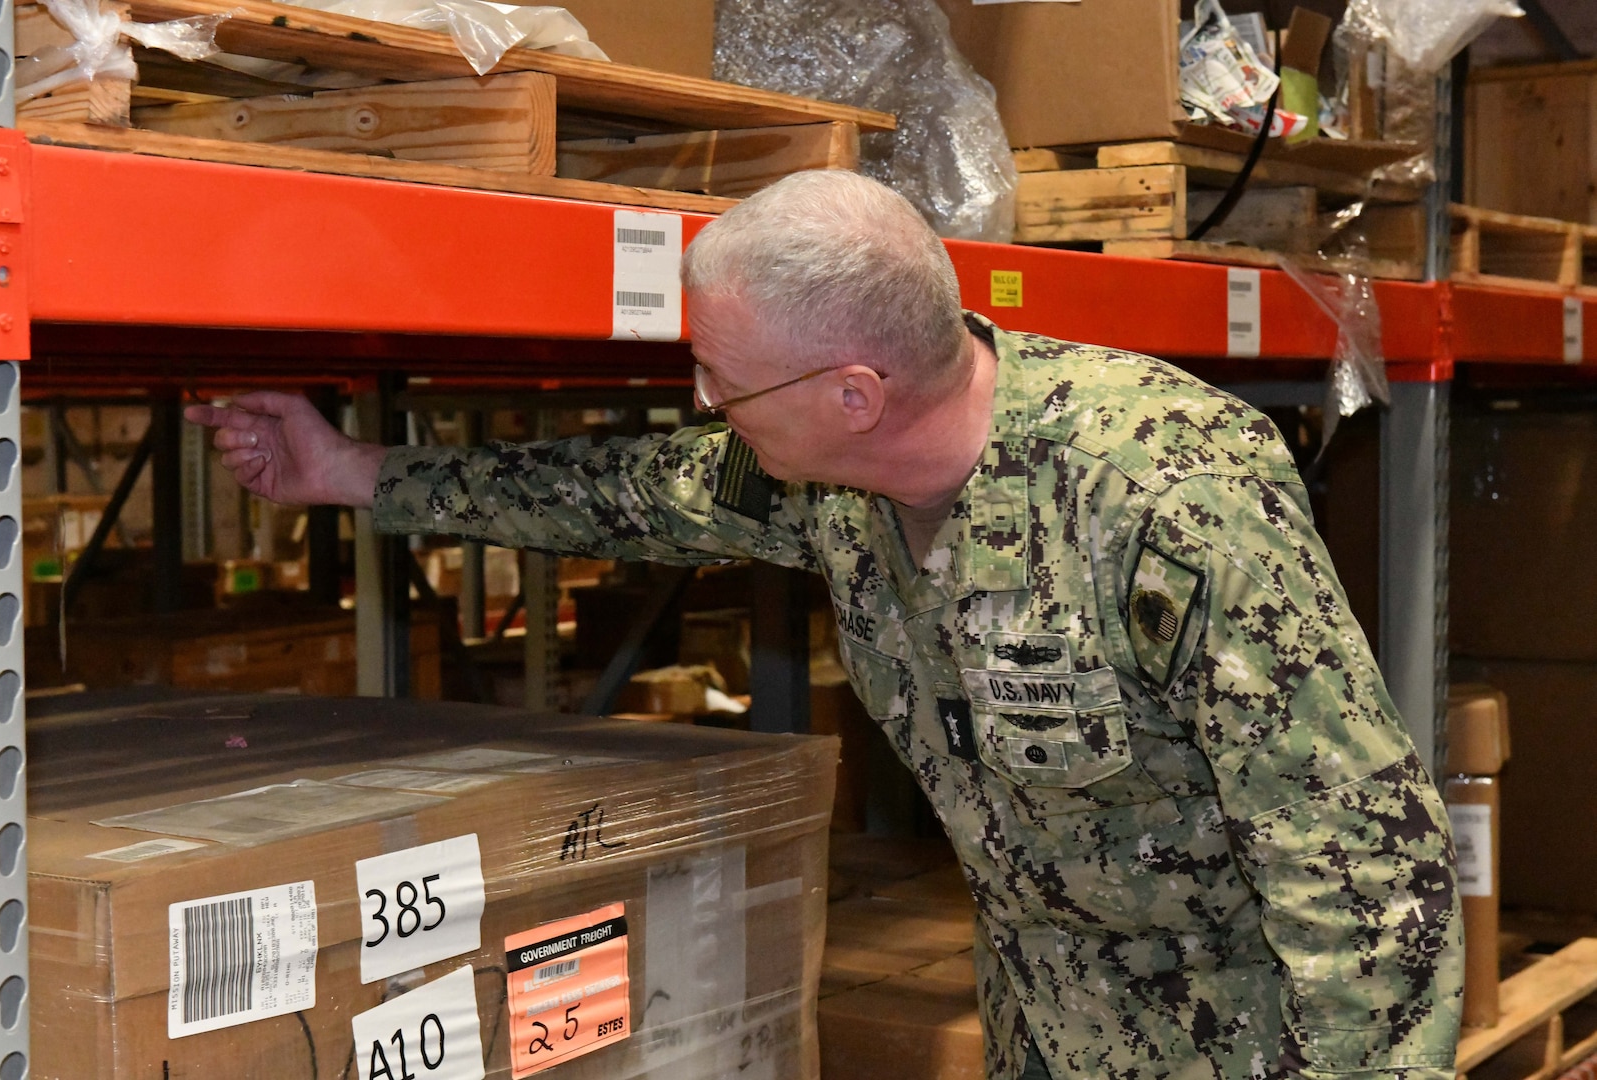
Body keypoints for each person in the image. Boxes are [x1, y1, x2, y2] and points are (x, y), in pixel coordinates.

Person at [189, 169, 1462, 1080]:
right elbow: (626, 493)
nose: (701, 400)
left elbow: (1360, 866)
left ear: (855, 393)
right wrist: (351, 472)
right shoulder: (835, 488)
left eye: (720, 380)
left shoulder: (1163, 497)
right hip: (1051, 1025)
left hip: (1251, 1041)